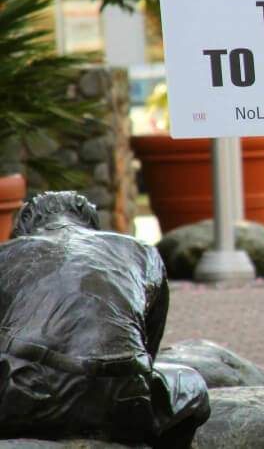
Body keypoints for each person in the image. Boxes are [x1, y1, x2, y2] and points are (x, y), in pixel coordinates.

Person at [0, 191, 210, 449]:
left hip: (24, 396)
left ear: (24, 226)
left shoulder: (6, 253)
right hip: (124, 398)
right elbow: (148, 347)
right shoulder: (140, 251)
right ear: (92, 224)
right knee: (191, 383)